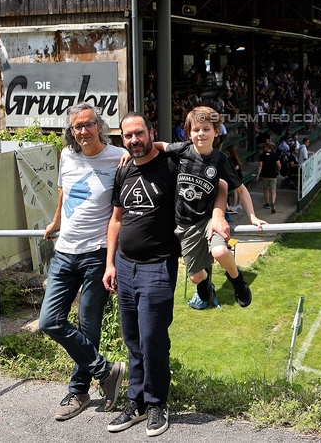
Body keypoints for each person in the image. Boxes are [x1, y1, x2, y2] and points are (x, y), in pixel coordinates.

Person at [103, 113, 228, 436]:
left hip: (158, 265)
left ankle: (157, 403)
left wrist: (216, 215)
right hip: (125, 265)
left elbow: (219, 184)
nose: (134, 140)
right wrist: (110, 263)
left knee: (152, 337)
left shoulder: (174, 163)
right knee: (132, 339)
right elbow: (116, 220)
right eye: (127, 136)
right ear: (122, 139)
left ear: (150, 133)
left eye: (139, 133)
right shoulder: (125, 170)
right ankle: (137, 402)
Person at [122, 106, 265, 308]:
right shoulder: (182, 151)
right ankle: (206, 283)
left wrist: (253, 217)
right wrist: (132, 154)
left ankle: (238, 282)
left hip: (207, 220)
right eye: (196, 130)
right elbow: (160, 145)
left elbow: (241, 190)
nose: (201, 134)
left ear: (216, 132)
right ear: (188, 133)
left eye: (206, 129)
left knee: (220, 252)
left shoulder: (221, 160)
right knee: (195, 277)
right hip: (184, 226)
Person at [39, 103, 126, 422]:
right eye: (78, 127)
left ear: (99, 127)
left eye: (89, 125)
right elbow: (64, 191)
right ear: (71, 131)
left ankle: (79, 391)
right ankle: (106, 371)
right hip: (64, 251)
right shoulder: (67, 155)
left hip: (96, 255)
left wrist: (111, 261)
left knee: (89, 328)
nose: (84, 131)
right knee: (49, 321)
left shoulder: (118, 157)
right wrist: (56, 219)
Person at [256, 141, 281, 214]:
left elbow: (260, 165)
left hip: (265, 174)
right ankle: (272, 202)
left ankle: (267, 203)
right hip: (273, 174)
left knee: (266, 189)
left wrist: (258, 175)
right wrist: (278, 171)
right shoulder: (275, 155)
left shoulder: (262, 155)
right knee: (273, 191)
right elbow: (279, 165)